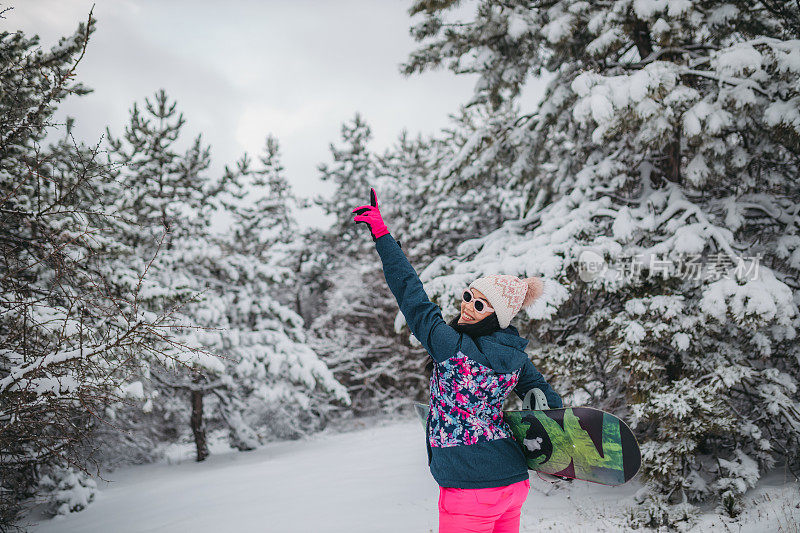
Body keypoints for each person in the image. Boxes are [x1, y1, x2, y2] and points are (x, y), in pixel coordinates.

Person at [352, 188, 563, 533]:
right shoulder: (516, 357)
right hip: (513, 483)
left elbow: (411, 293)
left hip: (470, 489)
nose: (467, 306)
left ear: (499, 316)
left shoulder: (451, 348)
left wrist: (382, 236)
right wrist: (557, 434)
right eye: (469, 295)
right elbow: (540, 390)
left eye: (480, 305)